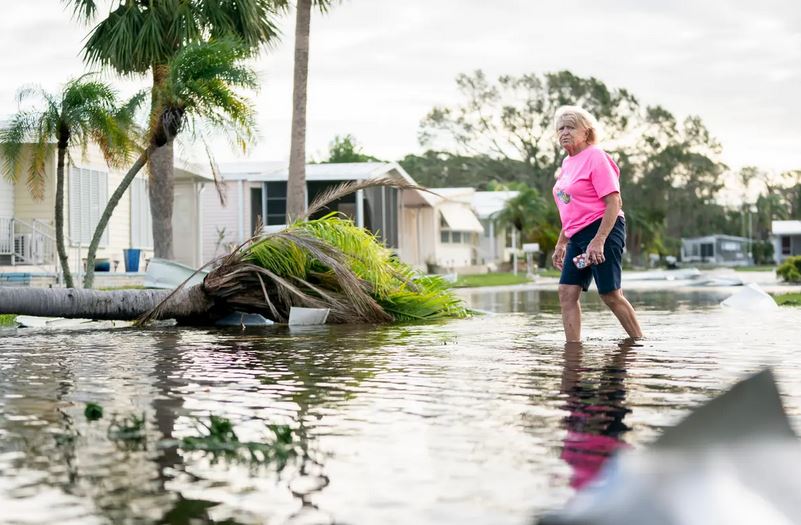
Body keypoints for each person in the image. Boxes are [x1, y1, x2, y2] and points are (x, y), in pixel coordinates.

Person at [551, 106, 643, 342]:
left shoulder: (596, 156)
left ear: (586, 132)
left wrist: (598, 240)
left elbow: (614, 201)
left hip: (603, 229)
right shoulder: (567, 163)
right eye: (561, 128)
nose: (564, 132)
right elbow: (571, 208)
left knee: (610, 294)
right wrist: (561, 243)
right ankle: (573, 351)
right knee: (566, 293)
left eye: (571, 127)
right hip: (577, 235)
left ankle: (640, 343)